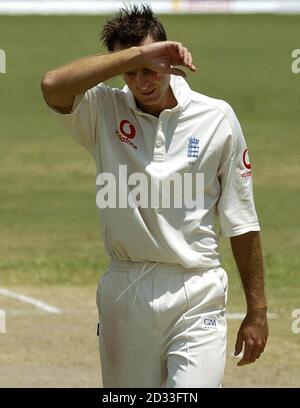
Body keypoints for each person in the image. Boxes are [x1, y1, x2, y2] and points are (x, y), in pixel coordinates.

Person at [41, 4, 268, 388]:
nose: (141, 81)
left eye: (150, 68)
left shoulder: (217, 117)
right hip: (126, 291)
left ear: (169, 59)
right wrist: (136, 57)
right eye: (129, 71)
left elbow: (241, 218)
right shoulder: (104, 109)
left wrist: (257, 311)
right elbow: (52, 85)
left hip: (198, 287)